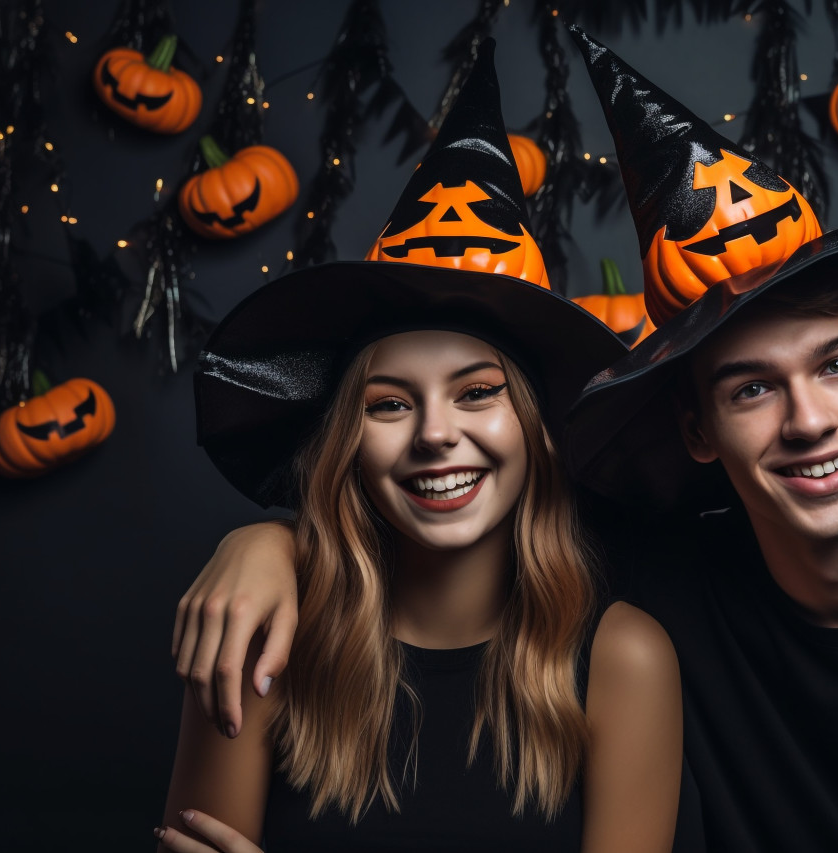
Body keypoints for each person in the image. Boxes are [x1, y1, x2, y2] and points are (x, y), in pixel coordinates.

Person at [169, 29, 838, 853]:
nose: (805, 419)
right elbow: (447, 524)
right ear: (695, 427)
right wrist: (269, 544)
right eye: (749, 387)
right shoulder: (642, 580)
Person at [155, 42, 680, 853]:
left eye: (477, 391)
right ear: (346, 444)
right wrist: (262, 536)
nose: (436, 433)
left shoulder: (624, 660)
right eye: (390, 403)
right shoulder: (259, 638)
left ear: (537, 431)